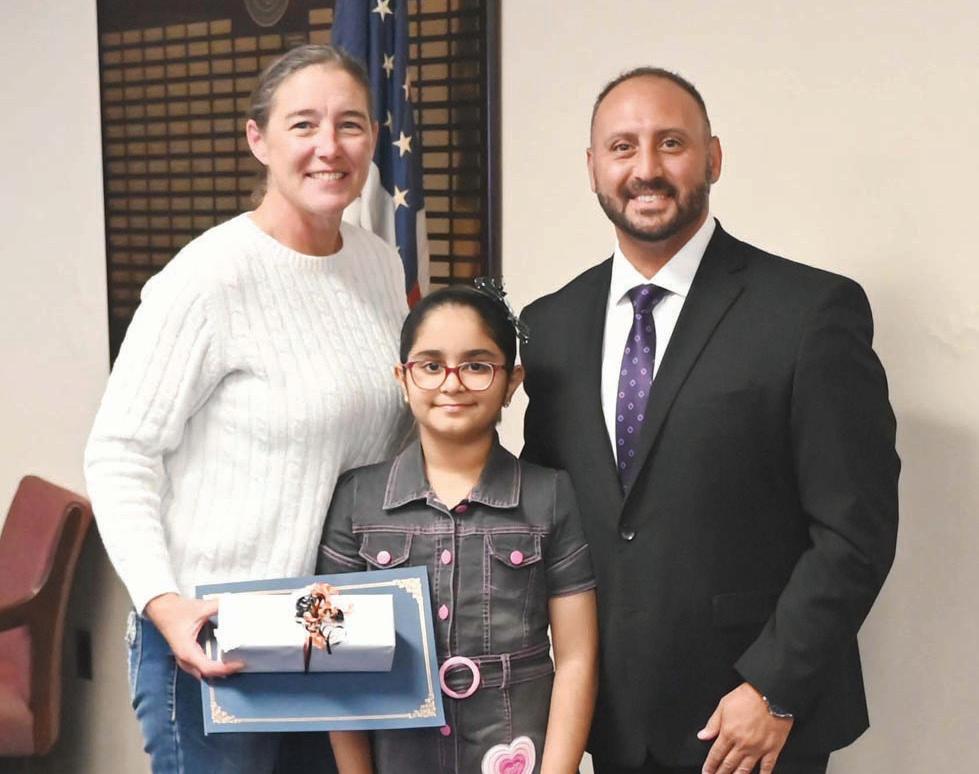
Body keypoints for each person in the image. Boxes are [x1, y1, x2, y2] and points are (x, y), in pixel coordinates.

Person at [519, 68, 900, 774]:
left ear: (713, 158)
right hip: (607, 720)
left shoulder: (809, 312)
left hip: (752, 726)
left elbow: (855, 528)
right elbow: (551, 517)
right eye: (622, 147)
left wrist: (773, 688)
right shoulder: (549, 325)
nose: (646, 168)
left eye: (671, 143)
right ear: (593, 167)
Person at [84, 45, 411, 773]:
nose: (329, 146)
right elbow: (120, 454)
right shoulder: (206, 278)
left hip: (334, 632)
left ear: (373, 139)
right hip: (214, 638)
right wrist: (163, 602)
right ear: (258, 139)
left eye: (350, 124)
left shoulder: (379, 265)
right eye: (303, 124)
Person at [318, 284, 599, 773]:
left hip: (515, 751)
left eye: (476, 365)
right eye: (431, 366)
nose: (452, 383)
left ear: (511, 382)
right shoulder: (356, 498)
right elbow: (333, 658)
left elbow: (577, 657)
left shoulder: (552, 494)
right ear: (403, 378)